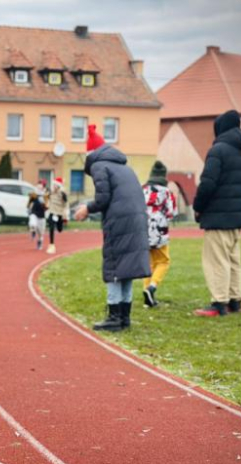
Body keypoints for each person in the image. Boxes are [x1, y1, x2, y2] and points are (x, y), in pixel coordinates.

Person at [74, 124, 150, 331]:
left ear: (90, 153)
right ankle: (124, 317)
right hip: (136, 221)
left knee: (114, 267)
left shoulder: (100, 166)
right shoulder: (124, 166)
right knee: (126, 269)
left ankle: (114, 317)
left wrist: (86, 208)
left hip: (120, 222)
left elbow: (103, 198)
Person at [192, 109, 241, 317]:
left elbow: (207, 184)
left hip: (218, 217)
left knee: (217, 260)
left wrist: (198, 207)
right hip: (237, 217)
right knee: (233, 259)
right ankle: (234, 301)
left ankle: (218, 303)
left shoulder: (218, 150)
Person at [142, 161, 177, 308]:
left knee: (149, 263)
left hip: (142, 230)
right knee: (163, 261)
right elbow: (172, 213)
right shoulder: (167, 193)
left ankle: (146, 294)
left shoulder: (142, 189)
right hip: (159, 232)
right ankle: (152, 287)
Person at [45, 177, 68, 254]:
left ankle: (60, 226)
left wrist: (65, 216)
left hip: (59, 214)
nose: (54, 186)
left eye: (56, 185)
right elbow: (46, 197)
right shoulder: (50, 192)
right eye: (53, 185)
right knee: (51, 227)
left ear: (59, 186)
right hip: (52, 212)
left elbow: (66, 204)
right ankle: (51, 245)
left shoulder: (62, 193)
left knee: (59, 229)